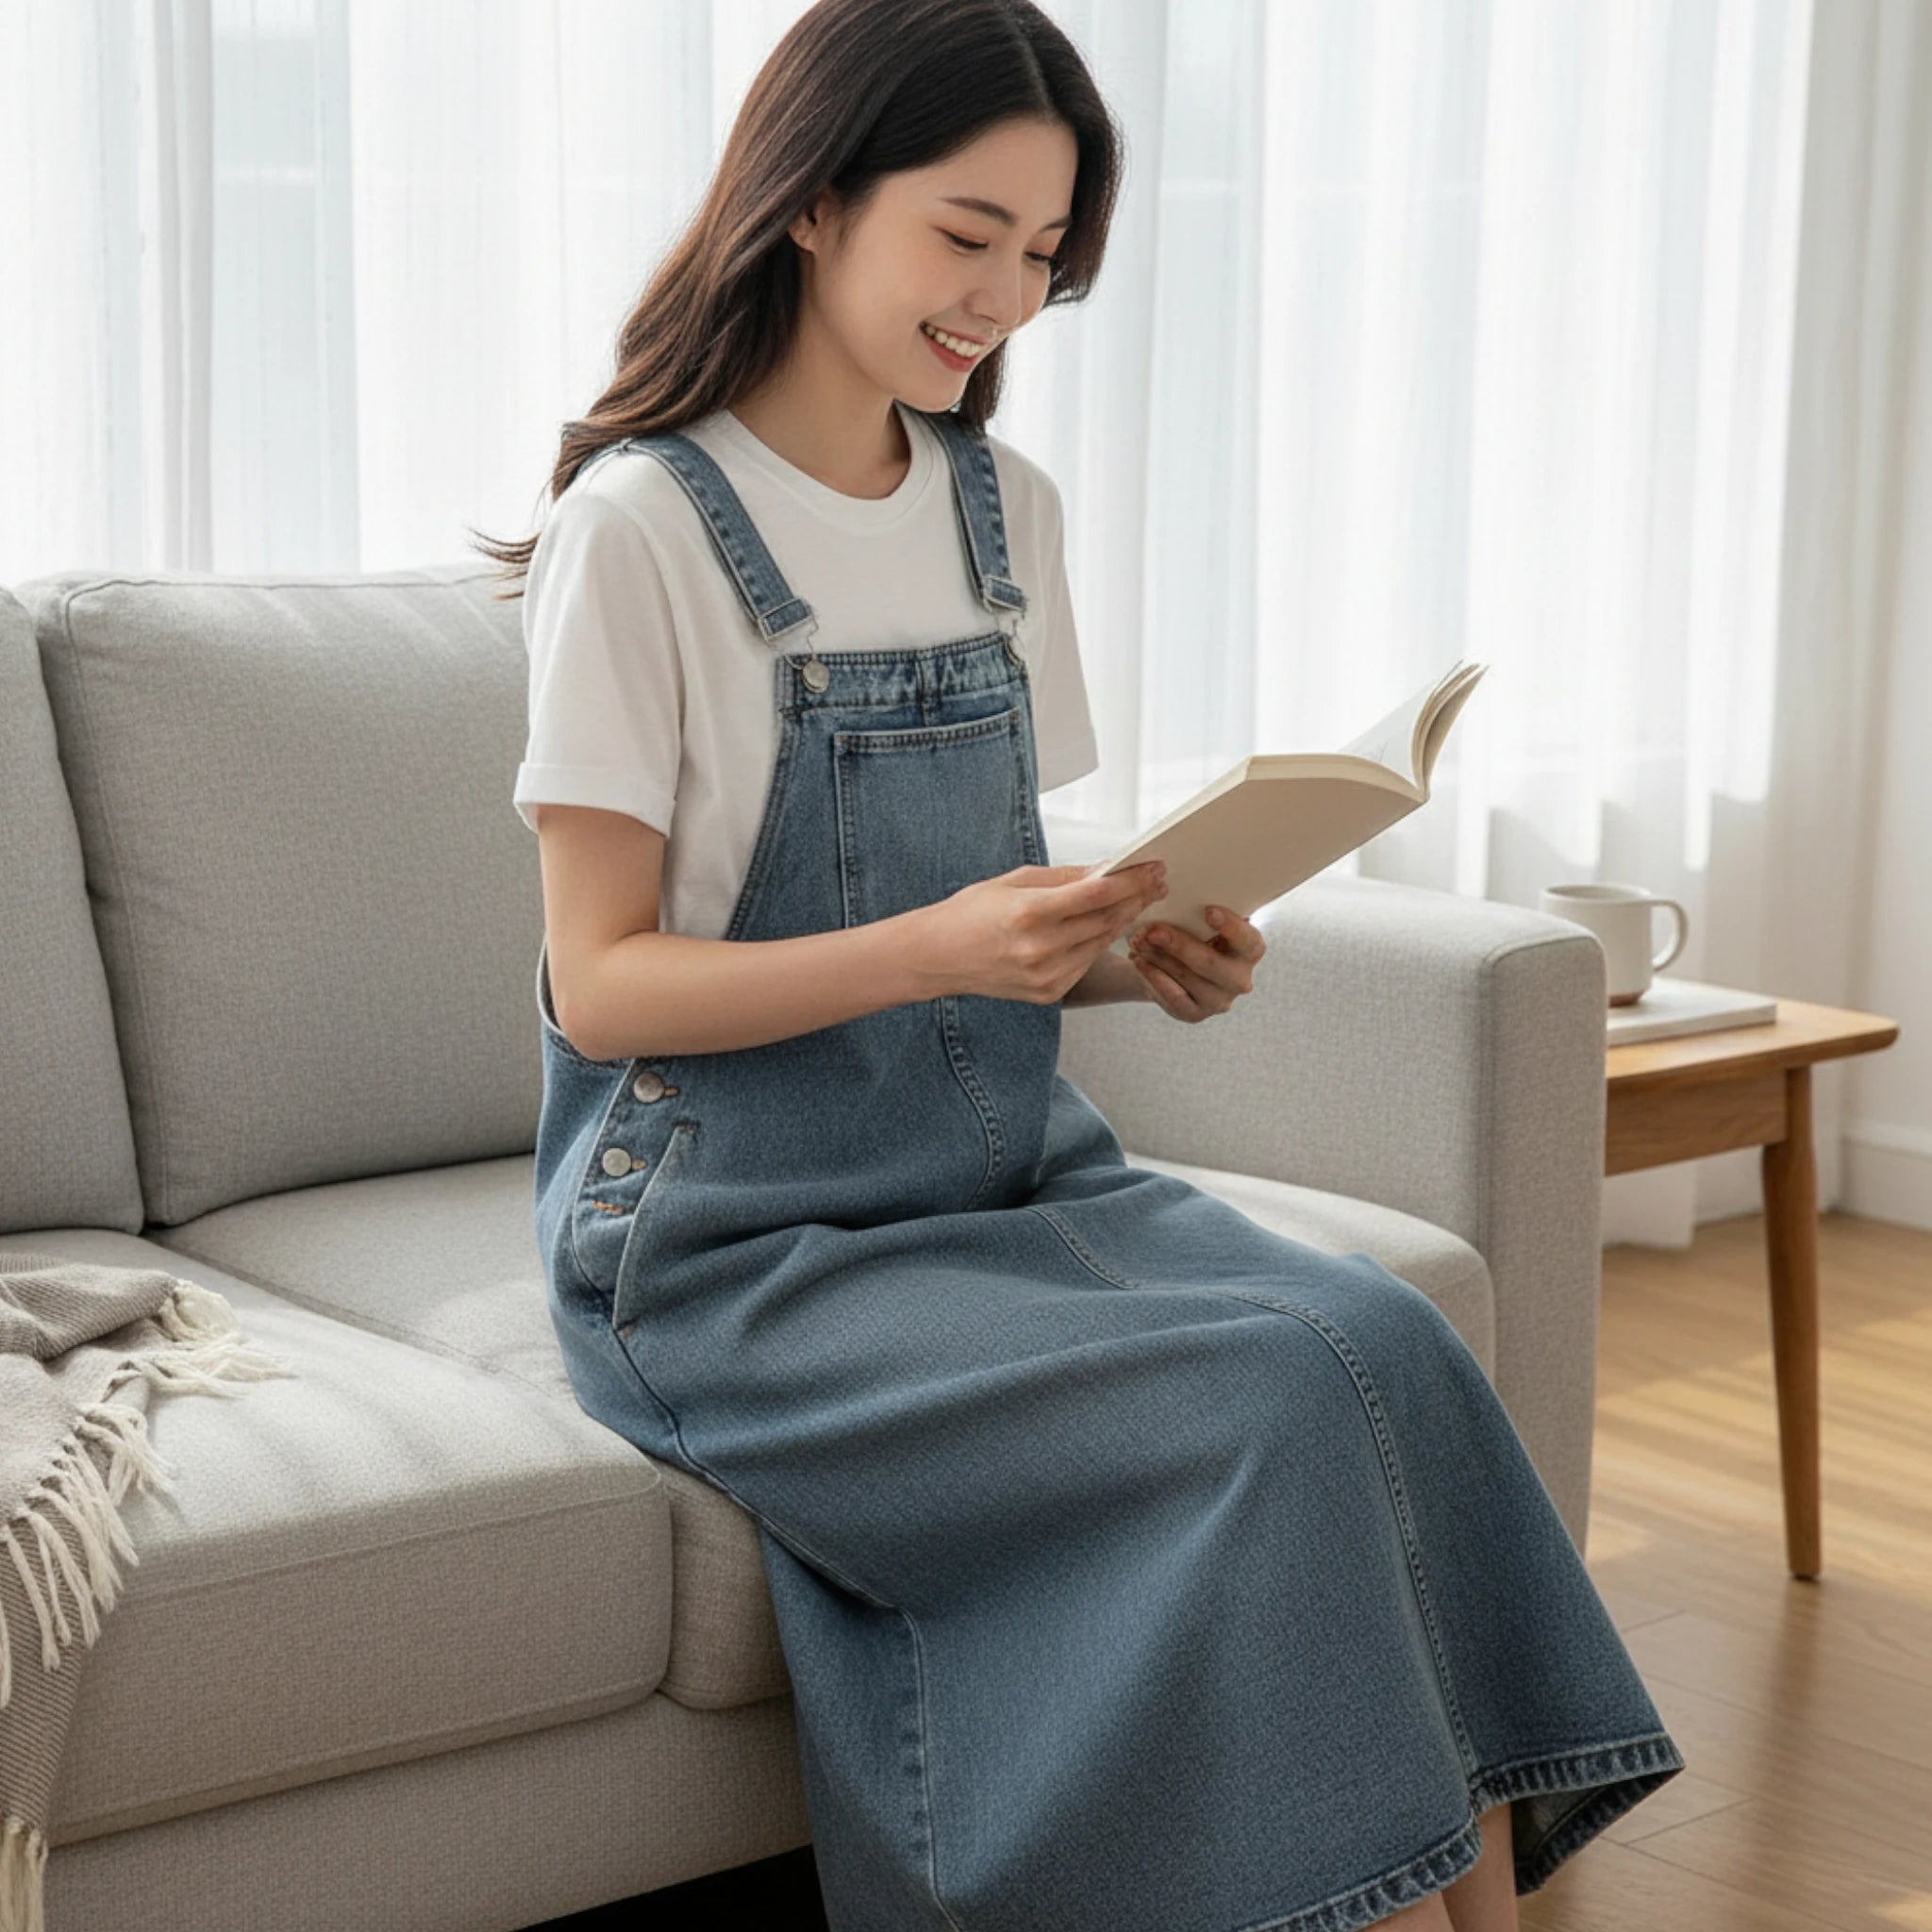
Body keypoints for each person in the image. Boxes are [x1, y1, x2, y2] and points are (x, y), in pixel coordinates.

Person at [475, 3, 1686, 1926]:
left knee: (1392, 1341)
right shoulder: (638, 530)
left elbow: (1000, 933)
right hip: (726, 1247)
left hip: (1006, 1177)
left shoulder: (999, 516)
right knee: (1280, 1398)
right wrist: (935, 944)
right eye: (966, 236)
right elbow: (602, 986)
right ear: (807, 199)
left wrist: (1135, 959)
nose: (1003, 301)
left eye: (1044, 257)